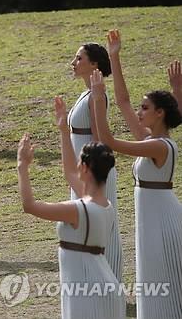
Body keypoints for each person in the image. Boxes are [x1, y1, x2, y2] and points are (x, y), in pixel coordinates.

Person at [92, 30, 182, 318]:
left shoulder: (158, 146)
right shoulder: (149, 139)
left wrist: (96, 102)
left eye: (146, 108)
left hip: (162, 221)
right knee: (154, 281)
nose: (139, 112)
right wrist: (115, 57)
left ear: (160, 115)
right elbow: (123, 101)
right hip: (151, 218)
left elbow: (110, 142)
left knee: (161, 281)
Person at [18, 109, 125, 318]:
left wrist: (22, 167)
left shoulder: (77, 210)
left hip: (86, 292)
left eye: (79, 163)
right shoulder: (106, 206)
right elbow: (69, 173)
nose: (76, 167)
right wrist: (64, 132)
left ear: (85, 168)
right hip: (101, 286)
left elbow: (29, 205)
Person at [67, 42, 123, 280]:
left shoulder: (97, 96)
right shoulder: (87, 93)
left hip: (95, 173)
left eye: (79, 58)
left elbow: (100, 140)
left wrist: (90, 174)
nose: (73, 62)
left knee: (99, 223)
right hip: (83, 172)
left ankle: (106, 279)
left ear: (94, 65)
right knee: (83, 223)